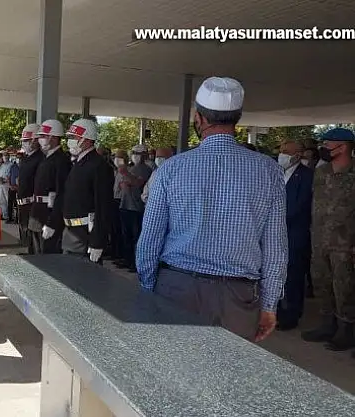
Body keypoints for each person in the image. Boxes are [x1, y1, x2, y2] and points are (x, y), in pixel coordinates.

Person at [136, 76, 287, 342]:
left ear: (199, 118)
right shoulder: (269, 171)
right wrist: (269, 305)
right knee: (229, 368)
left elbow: (150, 239)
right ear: (237, 119)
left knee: (172, 365)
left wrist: (148, 290)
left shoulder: (172, 168)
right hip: (238, 298)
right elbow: (276, 247)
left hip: (177, 289)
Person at [301, 127, 355, 353]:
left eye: (327, 143)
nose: (323, 148)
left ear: (343, 147)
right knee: (322, 283)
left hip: (345, 244)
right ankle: (327, 324)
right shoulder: (321, 172)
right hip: (319, 239)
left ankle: (346, 330)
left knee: (345, 288)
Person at [61, 119, 114, 263]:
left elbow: (103, 206)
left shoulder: (99, 166)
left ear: (87, 139)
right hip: (71, 232)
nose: (70, 141)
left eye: (74, 137)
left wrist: (98, 241)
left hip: (85, 236)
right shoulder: (79, 163)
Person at [275, 139, 313, 331]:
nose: (282, 155)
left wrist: (275, 217)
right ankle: (276, 310)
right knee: (277, 274)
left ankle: (291, 314)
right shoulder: (276, 172)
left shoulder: (307, 176)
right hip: (275, 234)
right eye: (281, 151)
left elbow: (300, 205)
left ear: (297, 155)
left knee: (294, 276)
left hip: (294, 233)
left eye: (286, 152)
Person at [29, 119, 72, 254]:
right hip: (38, 213)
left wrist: (53, 222)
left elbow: (61, 194)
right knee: (36, 254)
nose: (40, 139)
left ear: (53, 137)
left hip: (48, 215)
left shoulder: (61, 161)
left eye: (43, 136)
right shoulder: (46, 158)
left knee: (48, 256)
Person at [118, 144, 152, 272]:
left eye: (138, 153)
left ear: (144, 155)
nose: (135, 156)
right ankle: (127, 260)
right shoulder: (132, 168)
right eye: (133, 153)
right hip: (125, 205)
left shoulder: (146, 169)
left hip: (136, 207)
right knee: (126, 236)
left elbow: (138, 183)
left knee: (136, 236)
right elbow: (123, 184)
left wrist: (127, 175)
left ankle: (135, 262)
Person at [16, 124, 44, 252]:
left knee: (34, 241)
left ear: (36, 140)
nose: (24, 143)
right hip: (23, 205)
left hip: (32, 205)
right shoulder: (26, 158)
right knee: (25, 238)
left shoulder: (40, 159)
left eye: (27, 140)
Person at [0, 151, 12, 220]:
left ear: (9, 156)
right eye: (4, 156)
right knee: (2, 201)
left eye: (6, 155)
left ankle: (9, 215)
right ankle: (4, 214)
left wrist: (4, 180)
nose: (5, 157)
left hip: (7, 184)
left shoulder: (11, 165)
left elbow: (11, 175)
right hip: (1, 185)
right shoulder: (2, 165)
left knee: (8, 200)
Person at [6, 150, 19, 223]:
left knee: (17, 204)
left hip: (18, 188)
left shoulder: (23, 166)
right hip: (11, 187)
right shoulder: (12, 166)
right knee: (10, 204)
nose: (17, 159)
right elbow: (8, 176)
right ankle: (10, 217)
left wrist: (17, 187)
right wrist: (10, 185)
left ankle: (17, 218)